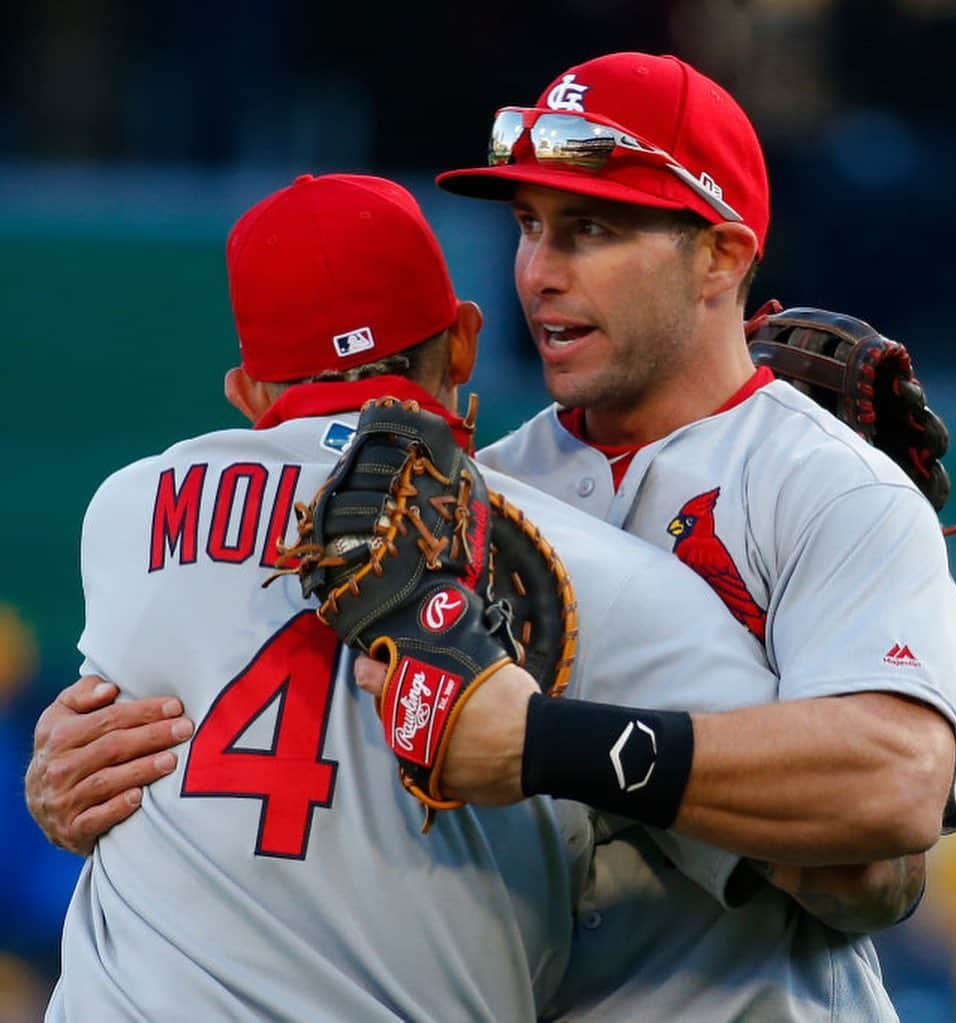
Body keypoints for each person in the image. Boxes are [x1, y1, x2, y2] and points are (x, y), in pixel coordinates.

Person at [40, 171, 833, 1021]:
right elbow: (853, 869)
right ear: (462, 342)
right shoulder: (588, 568)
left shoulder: (125, 514)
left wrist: (50, 780)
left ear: (246, 391)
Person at [422, 50, 956, 1021]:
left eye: (590, 229)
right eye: (528, 228)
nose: (540, 274)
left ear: (719, 254)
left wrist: (551, 742)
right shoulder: (479, 491)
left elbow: (891, 810)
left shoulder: (827, 486)